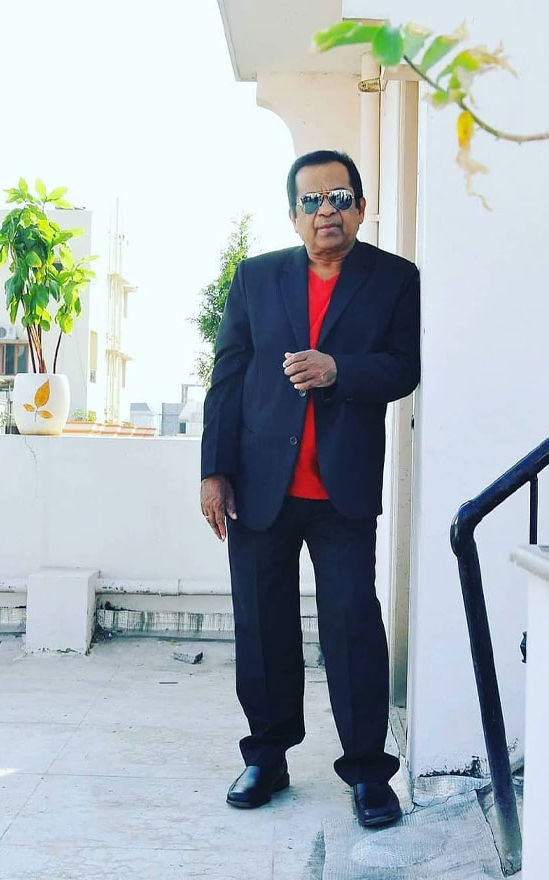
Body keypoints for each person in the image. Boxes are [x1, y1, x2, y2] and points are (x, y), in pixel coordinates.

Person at [200, 149, 420, 827]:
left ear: (360, 204)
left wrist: (337, 370)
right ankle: (267, 756)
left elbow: (403, 369)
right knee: (262, 626)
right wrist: (214, 471)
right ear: (293, 213)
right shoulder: (258, 279)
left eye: (339, 196)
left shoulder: (394, 279)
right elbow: (228, 377)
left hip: (342, 491)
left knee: (352, 627)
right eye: (312, 200)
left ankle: (367, 774)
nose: (327, 210)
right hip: (260, 485)